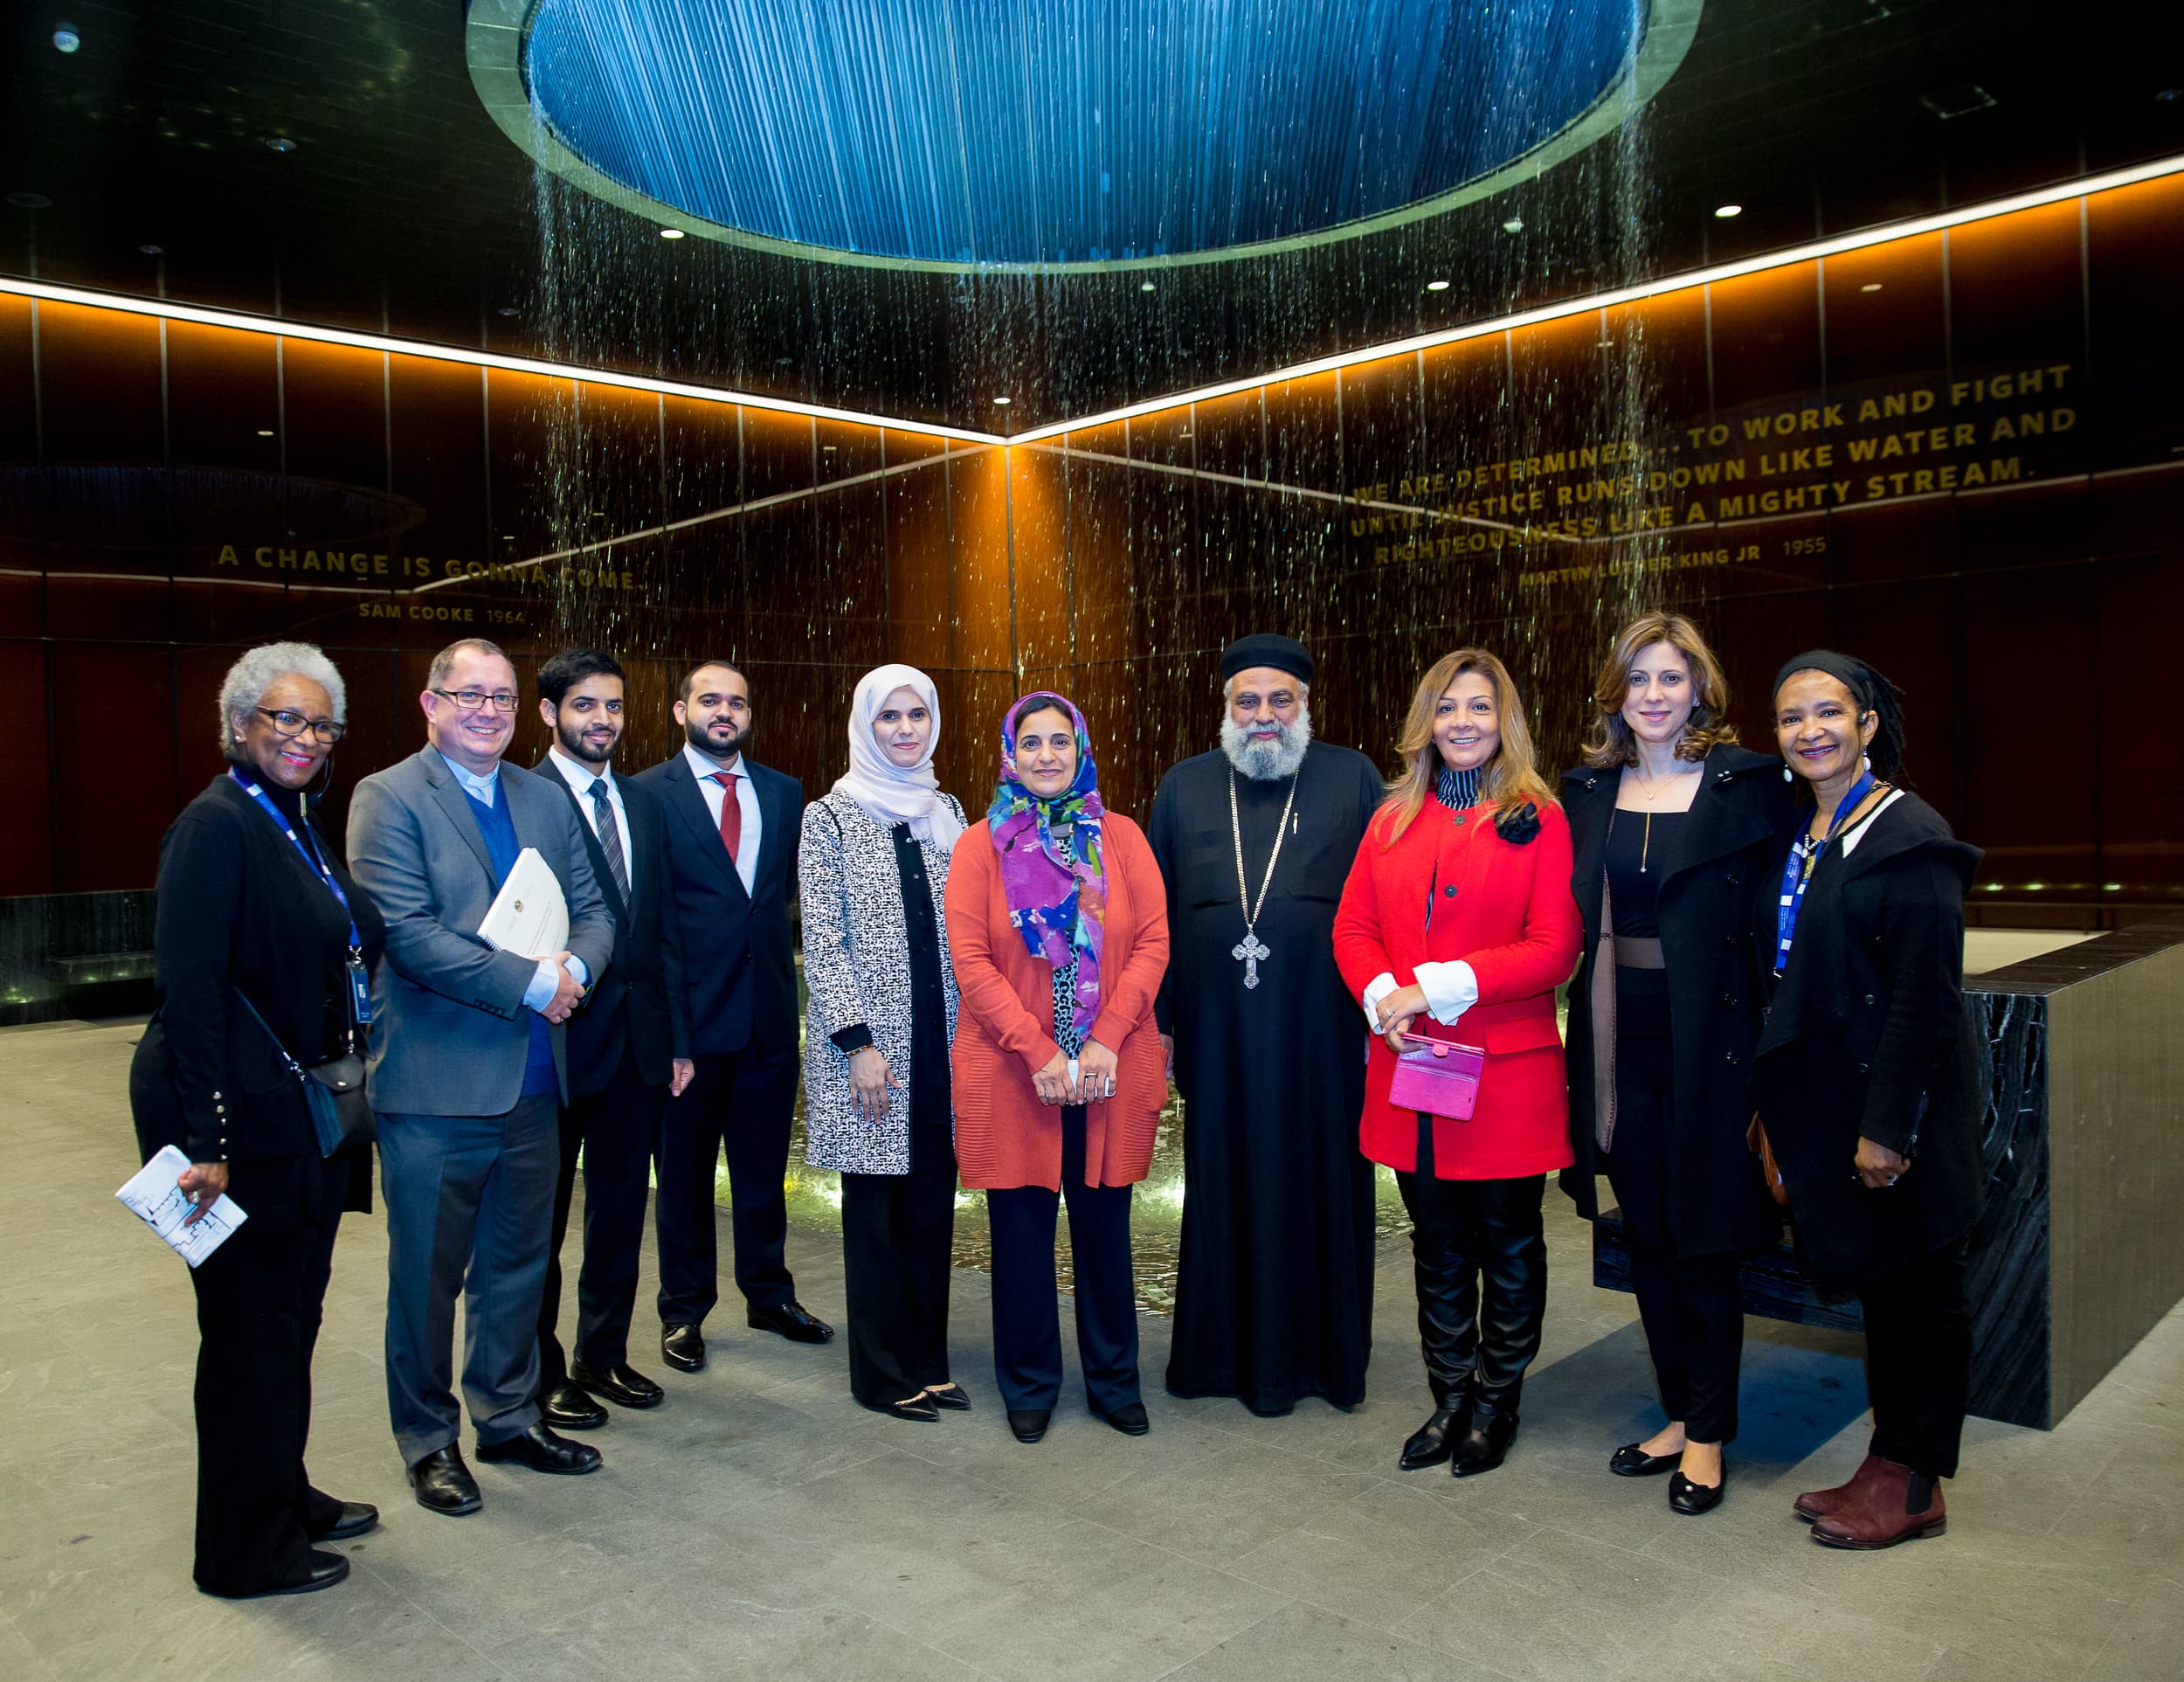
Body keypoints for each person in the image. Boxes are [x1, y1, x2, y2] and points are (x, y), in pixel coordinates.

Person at [129, 642, 384, 1597]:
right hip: (237, 1125)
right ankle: (244, 1550)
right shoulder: (215, 826)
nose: (303, 736)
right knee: (246, 1333)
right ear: (239, 723)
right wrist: (208, 1144)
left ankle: (283, 1488)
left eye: (319, 723)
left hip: (300, 1114)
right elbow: (189, 995)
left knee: (288, 1318)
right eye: (284, 718)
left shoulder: (293, 819)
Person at [347, 637, 615, 1516]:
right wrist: (533, 982)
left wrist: (576, 962)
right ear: (430, 703)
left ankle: (506, 1413)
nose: (488, 711)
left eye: (502, 697)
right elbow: (408, 932)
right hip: (435, 1087)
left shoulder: (542, 795)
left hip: (537, 1083)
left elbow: (593, 903)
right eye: (469, 695)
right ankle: (428, 1438)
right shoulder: (386, 797)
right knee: (426, 1276)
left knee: (516, 1265)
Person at [1752, 651, 1983, 1549]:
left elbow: (1923, 1002)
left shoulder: (1908, 836)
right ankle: (1885, 1461)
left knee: (1924, 1296)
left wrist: (1886, 1129)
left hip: (1901, 1119)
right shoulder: (1808, 829)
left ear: (1866, 724)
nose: (1809, 730)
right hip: (1835, 1106)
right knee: (1887, 1299)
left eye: (1828, 712)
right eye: (1790, 717)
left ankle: (1915, 1482)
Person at [1558, 613, 1787, 1517]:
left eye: (1670, 678)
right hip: (1619, 1046)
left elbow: (1782, 914)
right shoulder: (1586, 792)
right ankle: (1679, 1406)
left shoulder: (1747, 786)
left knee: (1704, 1245)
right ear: (1616, 695)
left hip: (1715, 1047)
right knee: (1644, 1235)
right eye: (1638, 680)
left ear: (1698, 689)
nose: (1653, 696)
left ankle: (1707, 1433)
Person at [1332, 648, 1582, 1478]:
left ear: (1502, 718)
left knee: (1508, 1241)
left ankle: (1495, 1403)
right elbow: (1352, 928)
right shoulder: (1390, 819)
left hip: (1504, 1069)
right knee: (1436, 1240)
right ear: (1425, 723)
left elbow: (1555, 948)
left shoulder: (1537, 816)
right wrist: (1383, 998)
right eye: (1447, 708)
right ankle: (1449, 1397)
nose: (1463, 723)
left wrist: (1430, 988)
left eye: (1479, 707)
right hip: (1412, 1067)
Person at [1149, 633, 1385, 1416]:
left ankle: (1324, 1360)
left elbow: (1384, 904)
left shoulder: (1353, 779)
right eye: (1246, 700)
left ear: (1305, 705)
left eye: (1280, 698)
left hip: (1322, 1035)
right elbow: (1155, 921)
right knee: (1224, 1181)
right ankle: (1220, 1355)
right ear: (1225, 707)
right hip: (1217, 1037)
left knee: (1322, 1180)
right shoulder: (1182, 788)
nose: (1263, 715)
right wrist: (1161, 1023)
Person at [944, 692, 1171, 1444]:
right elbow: (971, 961)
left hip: (1110, 1063)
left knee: (1106, 1230)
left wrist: (1104, 1038)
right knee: (1019, 1235)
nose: (1046, 756)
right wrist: (1038, 1050)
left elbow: (1153, 945)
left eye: (1060, 743)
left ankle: (1113, 1382)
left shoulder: (1123, 837)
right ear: (1011, 754)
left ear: (1081, 750)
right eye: (1031, 743)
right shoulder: (981, 845)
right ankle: (1031, 1384)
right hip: (1015, 1069)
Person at [637, 660, 832, 1372]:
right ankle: (684, 1311)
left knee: (761, 1171)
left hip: (769, 1024)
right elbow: (650, 923)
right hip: (689, 1030)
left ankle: (768, 1293)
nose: (724, 712)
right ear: (681, 708)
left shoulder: (785, 793)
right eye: (710, 700)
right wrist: (674, 1038)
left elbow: (774, 900)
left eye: (737, 702)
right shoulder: (646, 795)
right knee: (683, 1178)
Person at [529, 649, 694, 1432]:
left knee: (622, 1211)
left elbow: (664, 932)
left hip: (639, 1044)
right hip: (554, 1044)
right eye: (585, 706)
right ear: (549, 714)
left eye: (614, 707)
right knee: (540, 1218)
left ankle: (603, 1352)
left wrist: (679, 1040)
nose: (602, 720)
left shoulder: (642, 802)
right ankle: (539, 1369)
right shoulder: (522, 798)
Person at [800, 665, 970, 1422]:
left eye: (917, 715)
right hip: (869, 1049)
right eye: (888, 718)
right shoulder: (828, 819)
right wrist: (858, 1043)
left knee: (932, 1210)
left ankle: (929, 1360)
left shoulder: (950, 811)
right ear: (864, 728)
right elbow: (824, 942)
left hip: (945, 1042)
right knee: (874, 1217)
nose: (905, 730)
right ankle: (878, 1370)